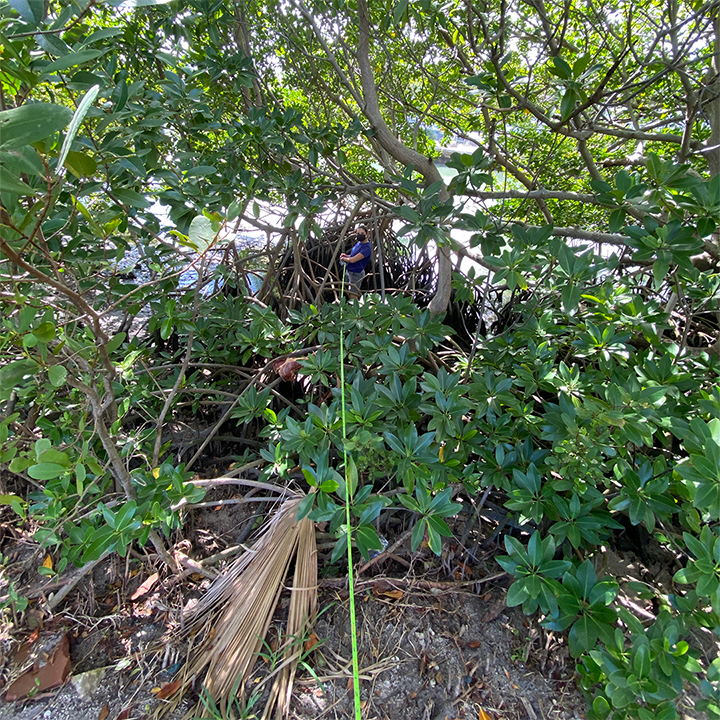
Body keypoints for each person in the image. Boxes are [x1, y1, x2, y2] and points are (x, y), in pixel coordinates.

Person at [339, 225, 371, 298]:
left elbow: (353, 260)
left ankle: (356, 309)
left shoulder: (367, 248)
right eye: (358, 233)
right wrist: (346, 256)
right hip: (349, 271)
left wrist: (344, 259)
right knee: (346, 290)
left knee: (353, 295)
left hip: (356, 274)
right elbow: (353, 256)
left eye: (362, 233)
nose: (359, 235)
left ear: (367, 233)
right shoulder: (359, 243)